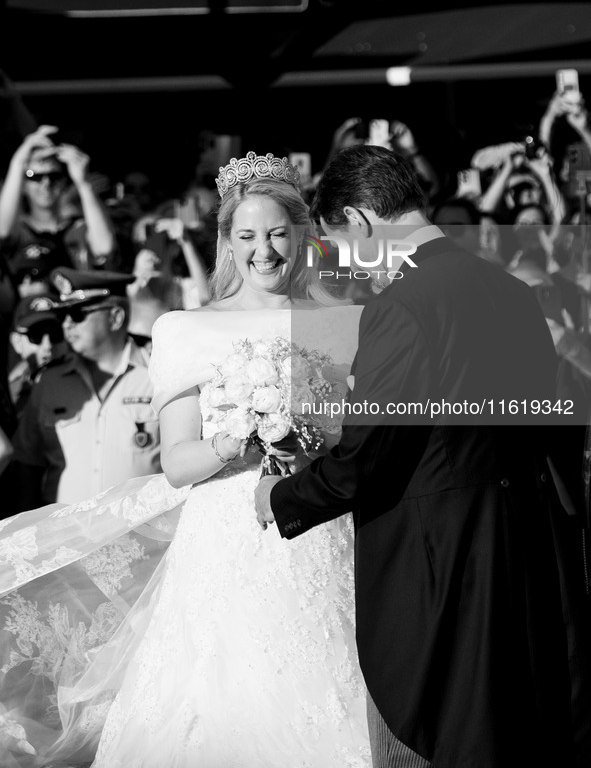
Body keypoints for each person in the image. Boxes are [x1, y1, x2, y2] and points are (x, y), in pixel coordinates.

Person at [0, 152, 370, 768]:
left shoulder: (350, 323)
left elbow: (361, 441)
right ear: (227, 242)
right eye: (248, 236)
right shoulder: (185, 329)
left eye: (278, 233)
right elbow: (176, 462)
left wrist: (309, 436)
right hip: (227, 541)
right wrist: (243, 437)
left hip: (323, 530)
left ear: (301, 235)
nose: (265, 251)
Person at [255, 144, 588, 768]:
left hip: (443, 566)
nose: (352, 266)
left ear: (358, 221)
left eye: (343, 246)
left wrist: (281, 496)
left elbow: (368, 457)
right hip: (529, 552)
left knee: (450, 742)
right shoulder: (513, 290)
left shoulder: (401, 304)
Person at [10, 268, 161, 506]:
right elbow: (28, 465)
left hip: (140, 536)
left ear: (115, 317)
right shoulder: (49, 383)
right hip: (66, 538)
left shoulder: (157, 374)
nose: (67, 324)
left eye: (77, 313)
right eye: (64, 315)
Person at [0, 125, 117, 279]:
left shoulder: (77, 228)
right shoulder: (19, 231)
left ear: (63, 182)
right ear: (23, 185)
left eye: (53, 176)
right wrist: (18, 162)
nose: (46, 183)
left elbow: (105, 247)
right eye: (35, 176)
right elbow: (2, 231)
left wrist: (83, 183)